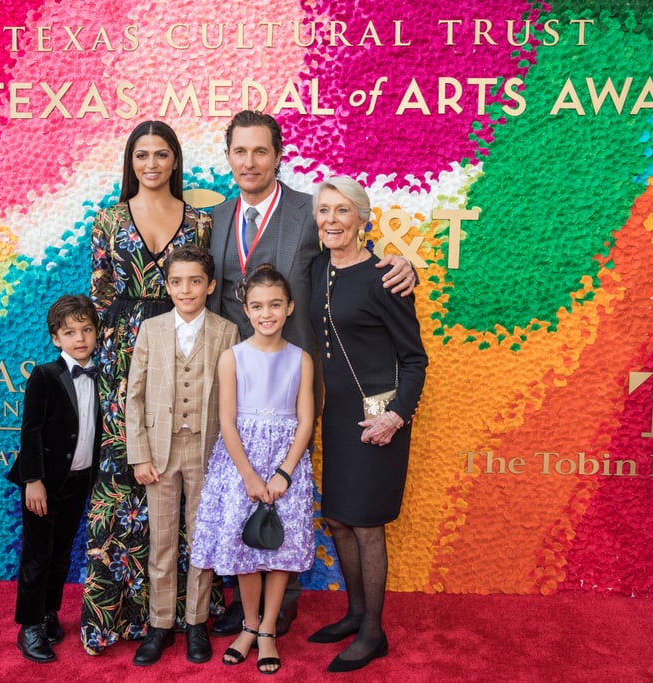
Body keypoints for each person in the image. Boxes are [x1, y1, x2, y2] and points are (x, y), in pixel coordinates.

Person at [207, 109, 418, 637]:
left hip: (300, 386)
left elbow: (358, 261)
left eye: (261, 151)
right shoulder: (214, 219)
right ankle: (247, 599)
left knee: (297, 488)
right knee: (242, 487)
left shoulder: (309, 212)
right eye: (240, 151)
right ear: (229, 156)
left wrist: (404, 264)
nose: (250, 161)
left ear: (279, 156)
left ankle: (288, 605)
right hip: (238, 379)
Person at [81, 120, 221, 654]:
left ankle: (192, 618)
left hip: (185, 353)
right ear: (130, 161)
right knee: (127, 481)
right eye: (142, 155)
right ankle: (124, 615)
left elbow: (211, 291)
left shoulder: (201, 222)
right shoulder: (108, 219)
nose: (152, 164)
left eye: (162, 154)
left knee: (190, 489)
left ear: (175, 160)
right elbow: (98, 294)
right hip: (122, 365)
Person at [307, 177, 428, 673]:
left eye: (342, 211)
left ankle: (374, 630)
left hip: (379, 414)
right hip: (333, 414)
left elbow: (414, 359)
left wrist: (397, 415)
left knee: (366, 523)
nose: (331, 220)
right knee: (337, 517)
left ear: (362, 217)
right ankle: (354, 613)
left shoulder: (385, 276)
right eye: (324, 211)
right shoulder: (316, 269)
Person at [191, 265, 316, 675]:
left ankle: (267, 631)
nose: (267, 314)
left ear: (289, 307)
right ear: (246, 310)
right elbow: (227, 422)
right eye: (258, 306)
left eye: (276, 305)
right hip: (240, 464)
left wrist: (283, 473)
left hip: (285, 465)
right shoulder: (233, 358)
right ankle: (246, 625)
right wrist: (248, 475)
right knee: (246, 548)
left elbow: (305, 422)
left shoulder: (302, 360)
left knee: (278, 550)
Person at [125, 245, 240, 666]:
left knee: (201, 541)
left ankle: (195, 623)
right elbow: (133, 397)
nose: (185, 289)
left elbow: (235, 400)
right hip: (159, 453)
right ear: (167, 285)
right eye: (177, 282)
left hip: (206, 452)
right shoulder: (151, 330)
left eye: (195, 281)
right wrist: (139, 455)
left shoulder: (227, 332)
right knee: (161, 543)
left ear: (210, 286)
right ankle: (159, 625)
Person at [7, 294, 102, 663]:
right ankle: (28, 626)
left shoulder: (102, 376)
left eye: (86, 330)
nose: (80, 338)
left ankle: (49, 613)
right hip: (43, 485)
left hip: (78, 482)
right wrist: (33, 480)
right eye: (70, 332)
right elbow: (30, 431)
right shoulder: (45, 376)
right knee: (37, 557)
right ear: (55, 339)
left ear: (96, 333)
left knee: (61, 555)